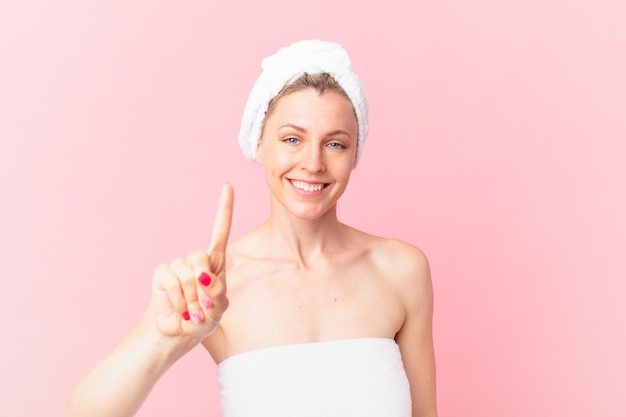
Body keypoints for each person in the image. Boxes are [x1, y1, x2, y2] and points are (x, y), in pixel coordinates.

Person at [66, 39, 438, 417]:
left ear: (354, 153)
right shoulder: (217, 284)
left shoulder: (401, 271)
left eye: (335, 144)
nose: (313, 163)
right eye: (292, 139)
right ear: (259, 144)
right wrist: (163, 339)